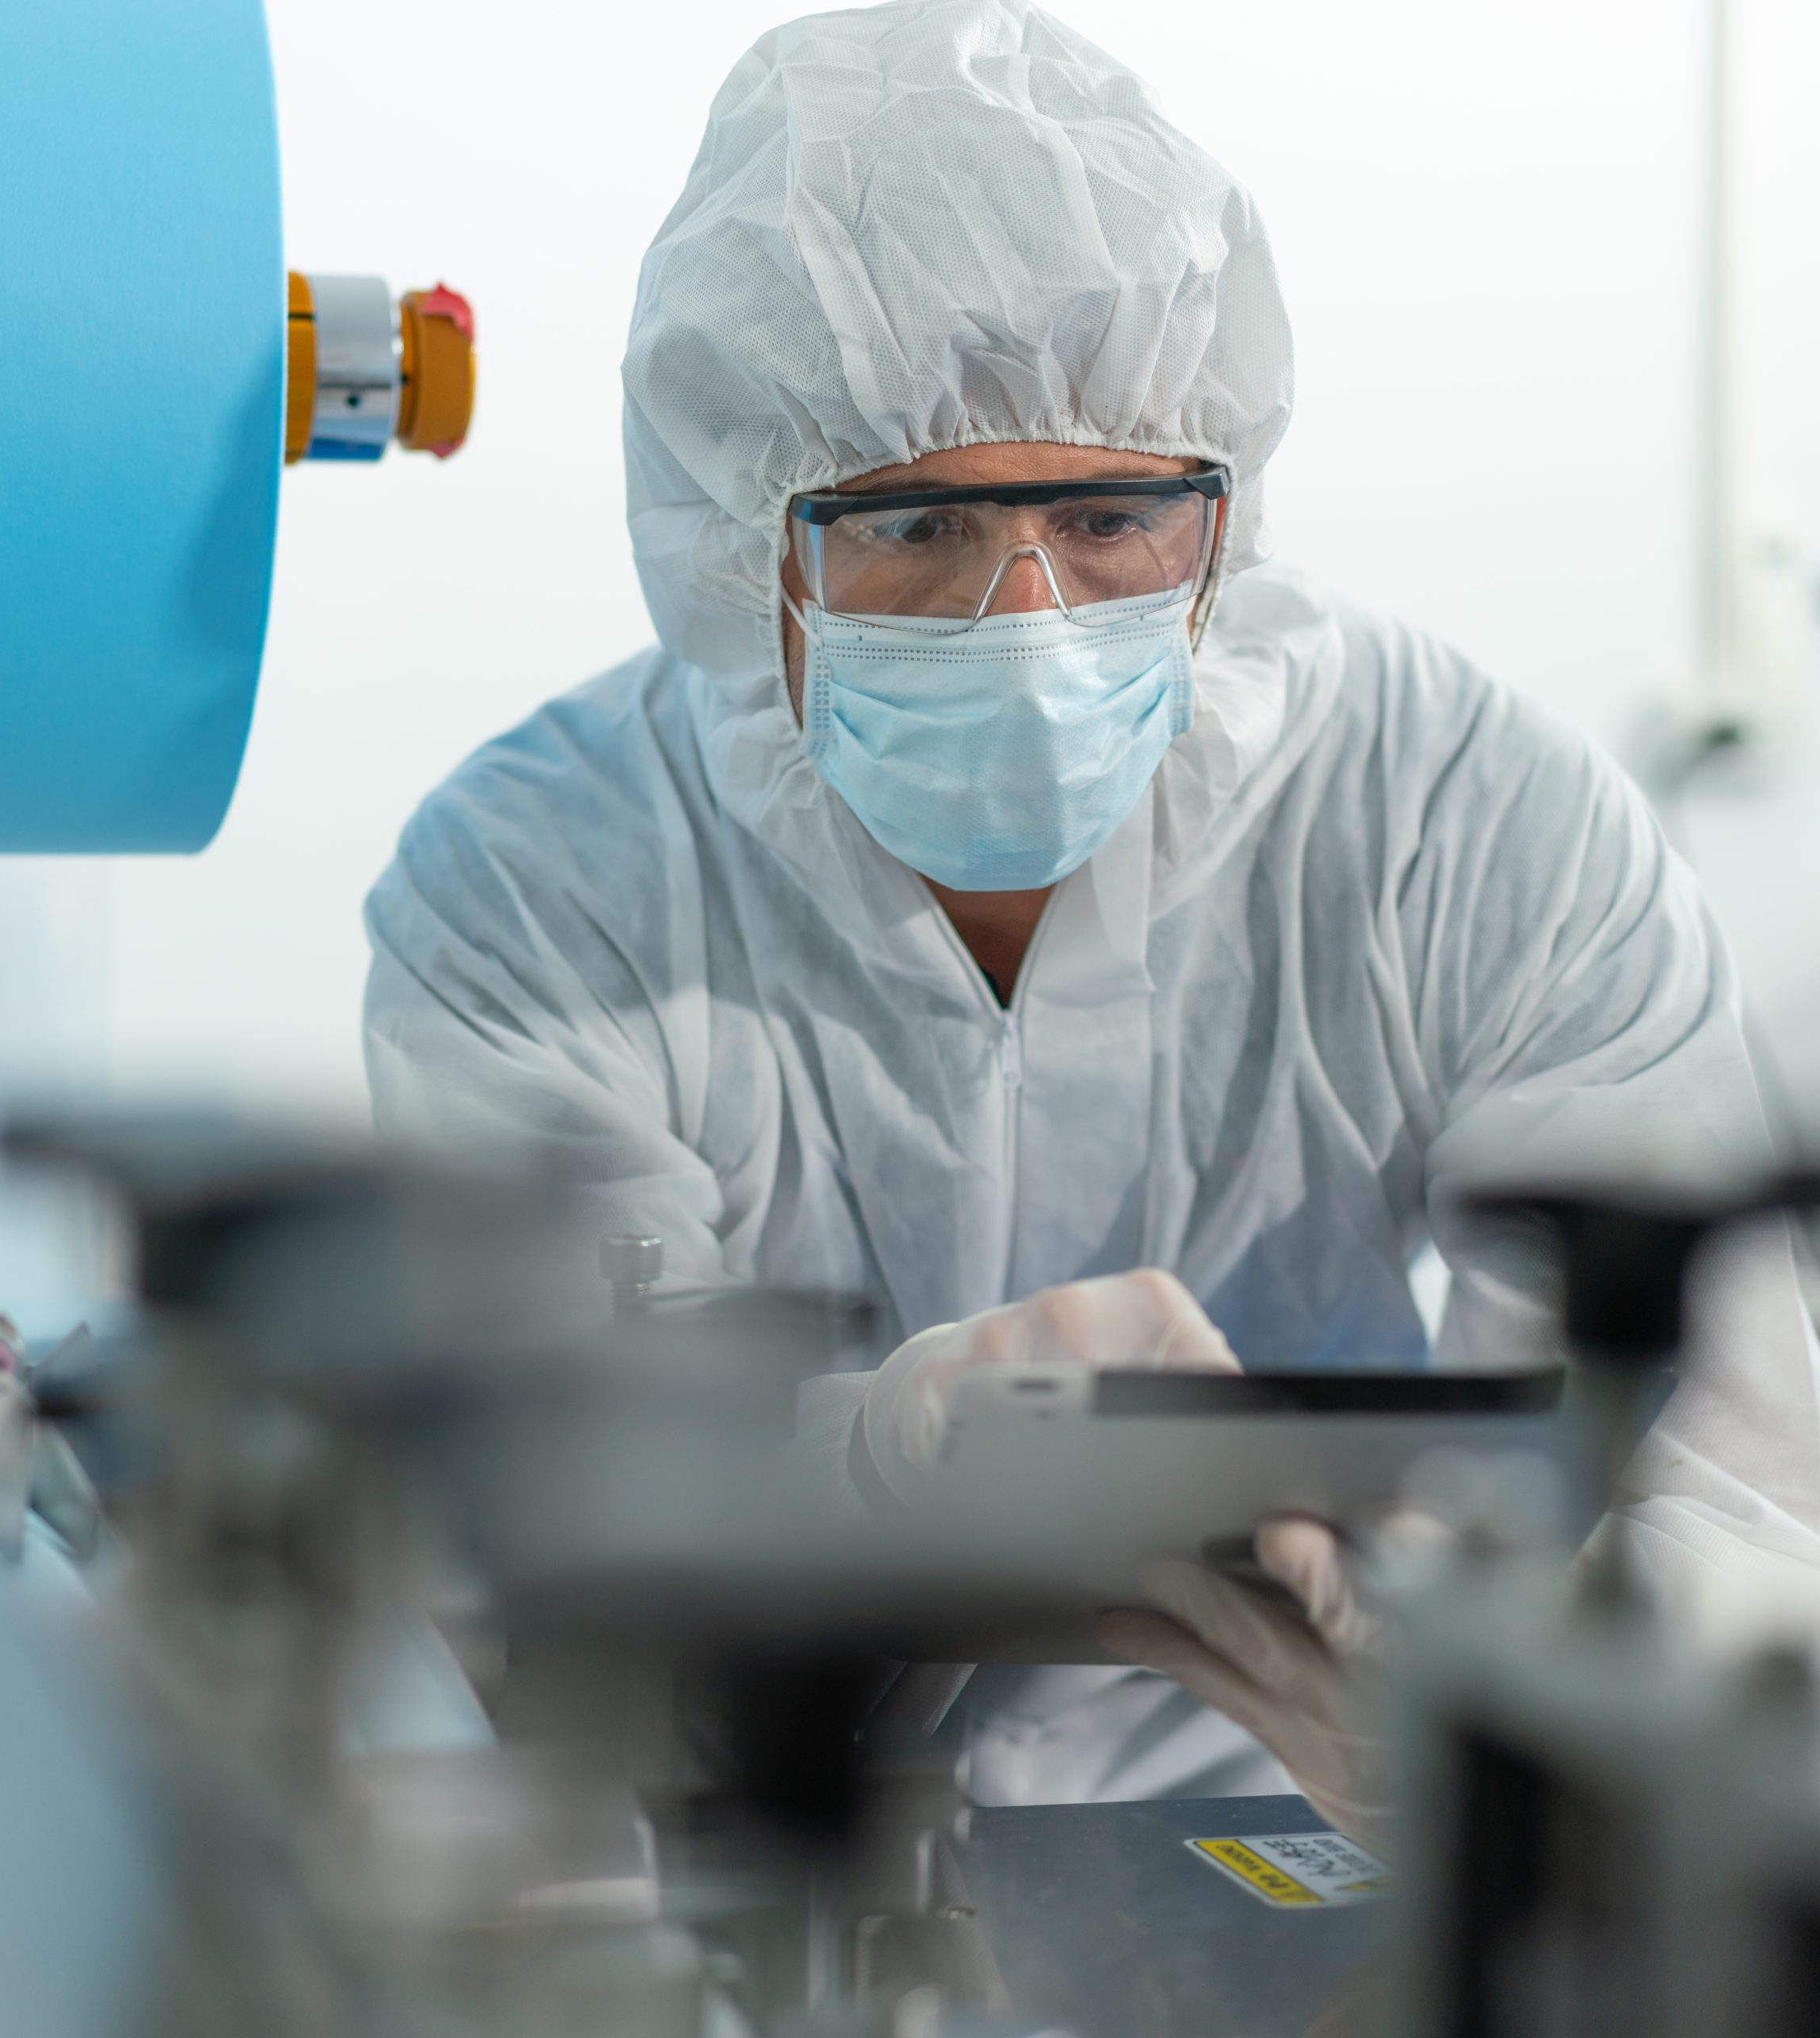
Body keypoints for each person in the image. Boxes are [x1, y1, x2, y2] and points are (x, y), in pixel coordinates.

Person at [364, 0, 1820, 1831]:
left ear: (1222, 506)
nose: (1032, 625)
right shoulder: (530, 887)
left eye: (1114, 515)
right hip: (778, 1835)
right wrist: (871, 1473)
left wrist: (1508, 1716)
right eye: (910, 530)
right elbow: (543, 1556)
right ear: (740, 548)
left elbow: (1739, 1485)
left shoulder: (1462, 815)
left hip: (1307, 1817)